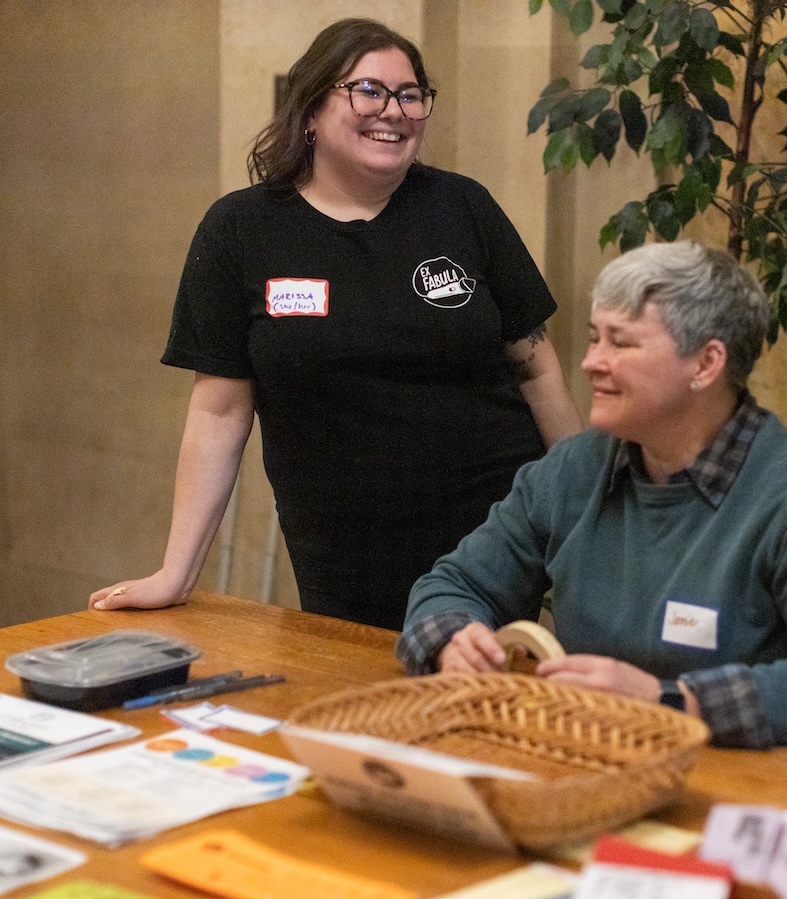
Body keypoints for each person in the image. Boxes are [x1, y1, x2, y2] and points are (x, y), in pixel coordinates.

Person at [89, 18, 581, 630]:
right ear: (311, 112)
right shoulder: (241, 231)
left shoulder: (463, 207)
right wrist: (175, 574)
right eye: (369, 91)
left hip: (489, 535)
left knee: (469, 705)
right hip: (340, 548)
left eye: (410, 94)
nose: (394, 111)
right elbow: (218, 411)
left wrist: (586, 515)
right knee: (357, 702)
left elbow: (539, 368)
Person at [397, 241, 787, 748]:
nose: (591, 362)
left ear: (706, 364)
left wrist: (670, 701)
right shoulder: (573, 470)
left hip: (743, 796)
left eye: (620, 343)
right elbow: (453, 585)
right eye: (594, 338)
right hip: (583, 763)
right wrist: (451, 641)